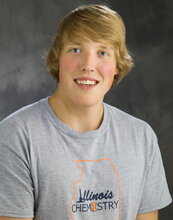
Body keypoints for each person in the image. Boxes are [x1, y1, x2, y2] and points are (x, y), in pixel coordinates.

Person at [0, 4, 172, 220]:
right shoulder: (15, 136)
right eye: (76, 50)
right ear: (57, 58)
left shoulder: (141, 137)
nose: (88, 65)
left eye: (103, 52)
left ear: (117, 65)